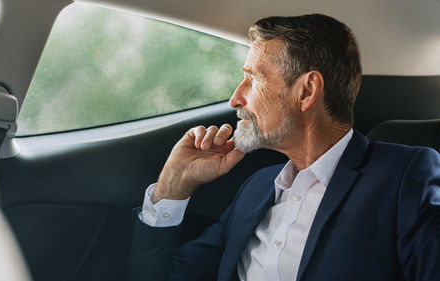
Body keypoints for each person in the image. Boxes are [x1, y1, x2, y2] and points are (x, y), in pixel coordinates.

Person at [128, 14, 440, 281]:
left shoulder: (403, 175)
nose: (235, 99)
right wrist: (173, 185)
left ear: (307, 91)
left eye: (253, 78)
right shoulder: (257, 188)